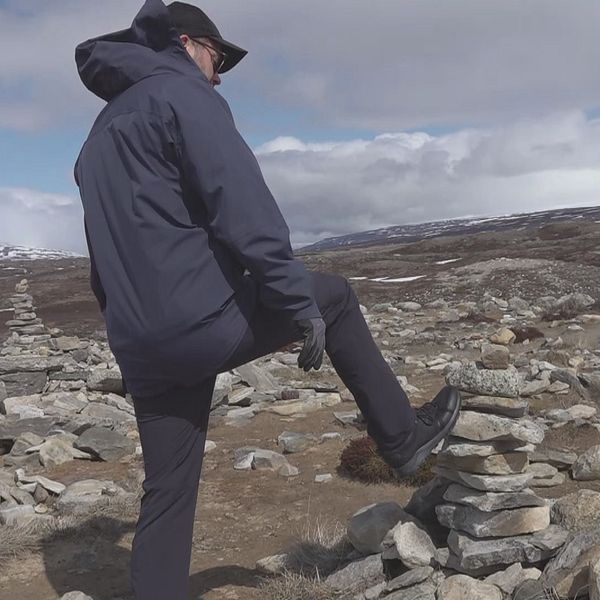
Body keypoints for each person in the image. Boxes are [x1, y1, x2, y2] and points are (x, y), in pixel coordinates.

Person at [73, 1, 461, 597]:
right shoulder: (185, 98)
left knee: (168, 489)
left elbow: (105, 259)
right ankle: (403, 440)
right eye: (218, 54)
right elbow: (241, 206)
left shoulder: (97, 138)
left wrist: (130, 331)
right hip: (200, 322)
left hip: (142, 342)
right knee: (333, 294)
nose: (221, 70)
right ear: (185, 44)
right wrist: (295, 301)